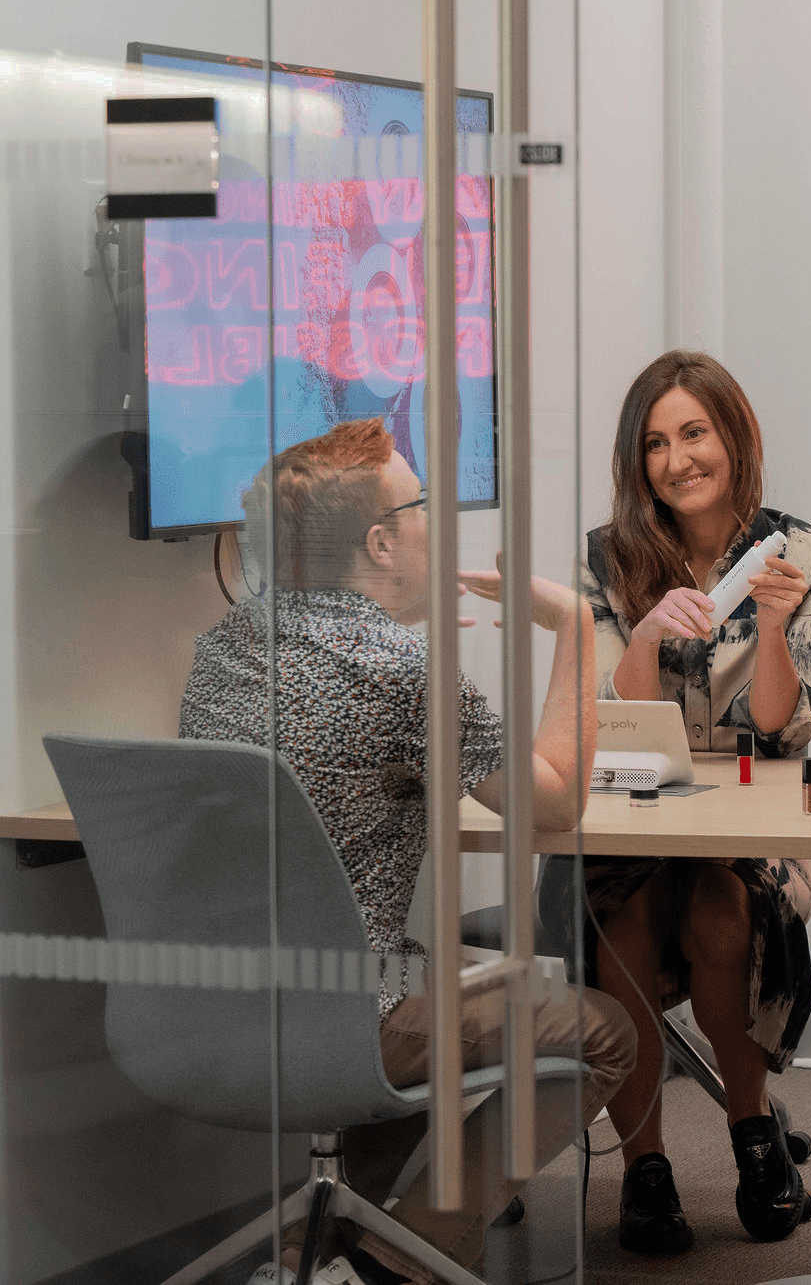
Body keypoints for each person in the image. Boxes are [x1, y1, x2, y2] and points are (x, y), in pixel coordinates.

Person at [178, 418, 637, 1285]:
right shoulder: (403, 671)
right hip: (342, 1015)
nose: (444, 524)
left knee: (426, 980)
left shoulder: (223, 650)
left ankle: (307, 1262)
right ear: (381, 540)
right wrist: (577, 625)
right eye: (427, 505)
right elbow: (556, 807)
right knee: (605, 1031)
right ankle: (393, 1268)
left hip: (206, 1009)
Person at [570, 349, 811, 1253]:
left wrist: (770, 627)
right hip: (636, 810)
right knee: (626, 911)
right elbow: (608, 719)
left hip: (748, 819)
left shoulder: (798, 553)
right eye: (656, 442)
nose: (678, 459)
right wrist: (643, 631)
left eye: (695, 433)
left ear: (733, 437)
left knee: (723, 912)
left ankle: (751, 1131)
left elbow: (780, 727)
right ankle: (644, 1166)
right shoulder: (607, 559)